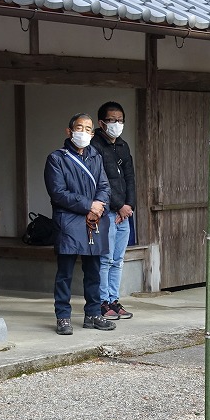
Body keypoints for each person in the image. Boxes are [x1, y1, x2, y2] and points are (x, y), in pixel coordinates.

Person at [45, 114, 114, 335]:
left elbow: (104, 185)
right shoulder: (57, 158)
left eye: (87, 129)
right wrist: (89, 205)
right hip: (69, 221)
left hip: (94, 221)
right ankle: (63, 317)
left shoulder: (96, 156)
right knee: (65, 272)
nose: (82, 133)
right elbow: (58, 193)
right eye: (78, 127)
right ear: (69, 131)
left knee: (93, 271)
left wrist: (99, 205)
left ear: (93, 134)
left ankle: (93, 313)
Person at [90, 101, 135, 320]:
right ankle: (102, 302)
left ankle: (114, 300)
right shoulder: (95, 146)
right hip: (107, 211)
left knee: (118, 259)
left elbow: (130, 178)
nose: (116, 124)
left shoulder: (123, 146)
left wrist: (129, 206)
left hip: (123, 213)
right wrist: (119, 206)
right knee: (105, 259)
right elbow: (102, 180)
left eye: (120, 120)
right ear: (101, 123)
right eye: (111, 120)